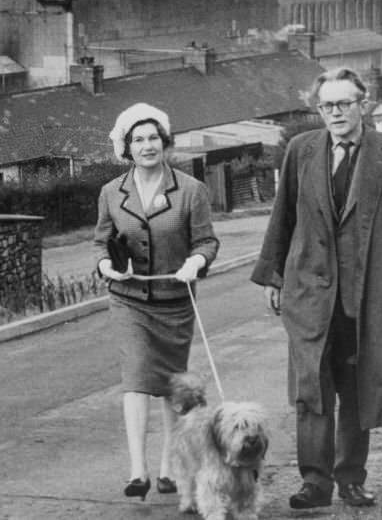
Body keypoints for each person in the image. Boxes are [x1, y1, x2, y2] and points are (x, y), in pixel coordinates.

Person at [251, 67, 382, 510]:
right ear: (319, 109)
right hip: (309, 292)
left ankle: (351, 478)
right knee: (311, 388)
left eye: (344, 103)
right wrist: (273, 274)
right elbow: (283, 218)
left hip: (367, 292)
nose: (335, 113)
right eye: (327, 105)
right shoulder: (301, 150)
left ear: (363, 104)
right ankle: (315, 483)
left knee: (357, 387)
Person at [94, 102, 220, 501]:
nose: (147, 146)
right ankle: (138, 470)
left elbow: (206, 241)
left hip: (174, 300)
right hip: (129, 300)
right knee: (135, 378)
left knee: (170, 385)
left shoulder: (191, 190)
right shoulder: (111, 193)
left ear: (165, 144)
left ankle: (168, 467)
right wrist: (105, 266)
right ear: (126, 148)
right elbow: (101, 241)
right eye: (138, 140)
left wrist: (196, 262)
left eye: (153, 138)